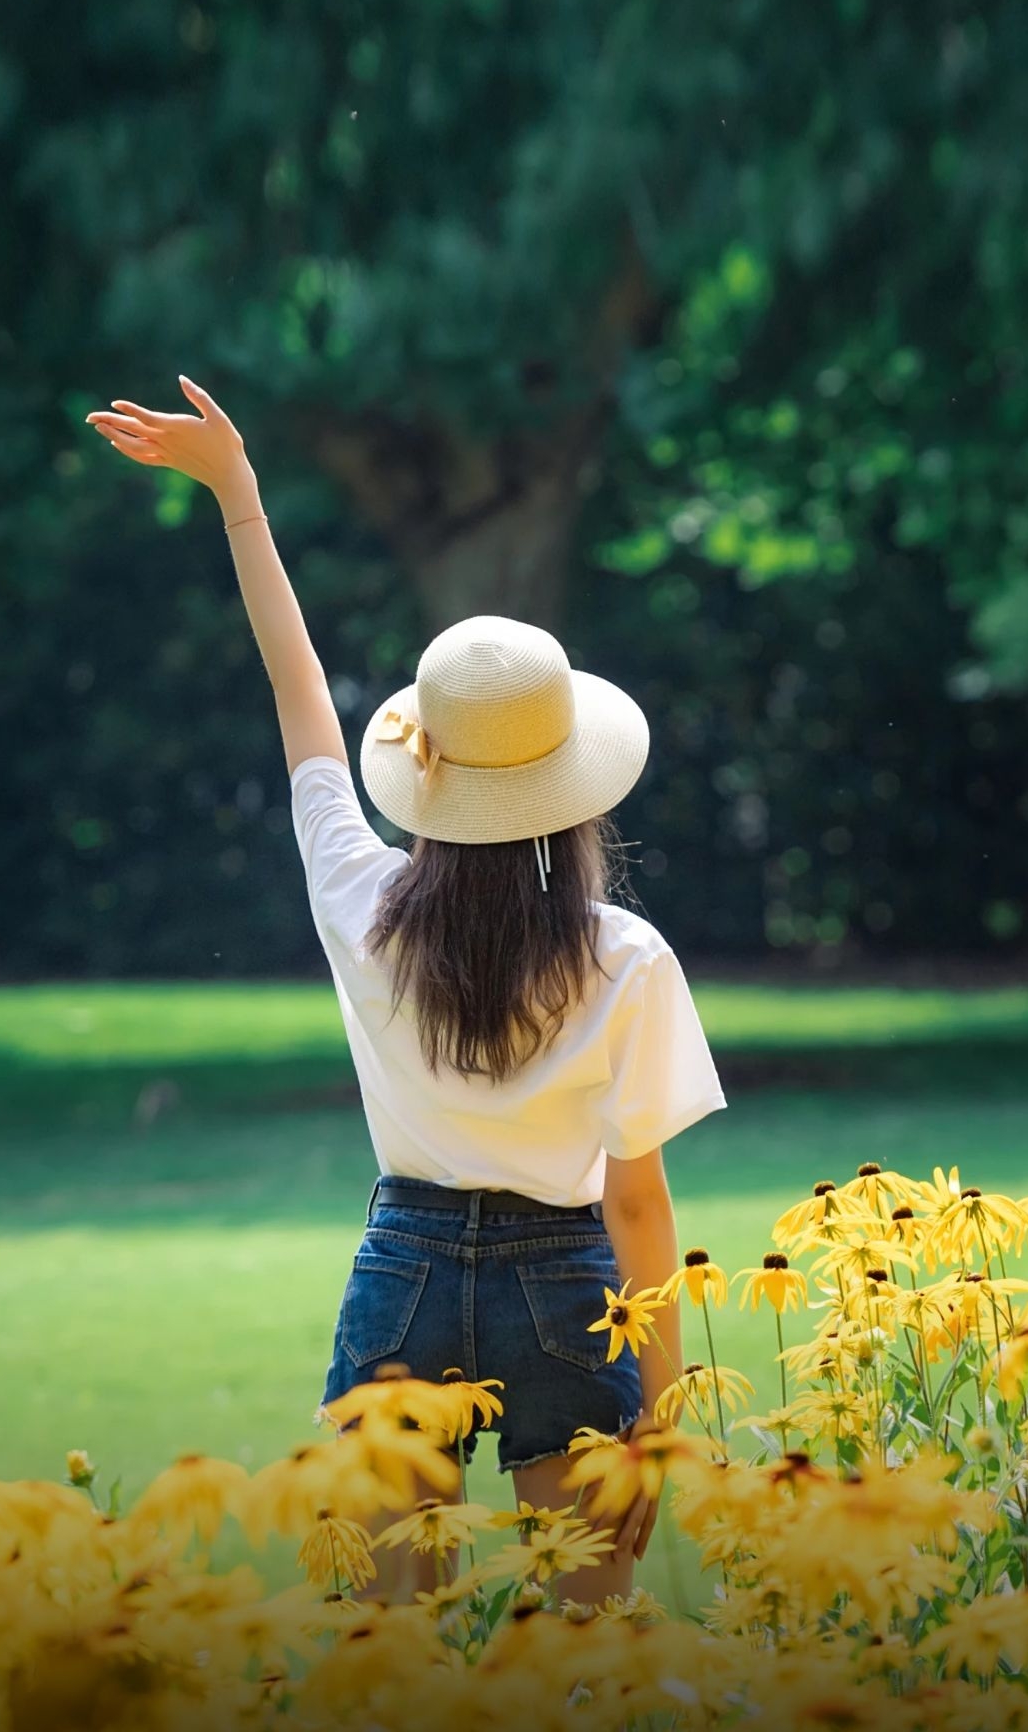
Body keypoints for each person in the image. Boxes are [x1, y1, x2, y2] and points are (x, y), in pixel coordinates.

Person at [85, 375, 728, 1603]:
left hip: (403, 1276)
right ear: (573, 783)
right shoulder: (625, 958)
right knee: (584, 1655)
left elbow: (301, 701)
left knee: (388, 1653)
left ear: (423, 771)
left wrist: (241, 496)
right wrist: (663, 1418)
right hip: (570, 1285)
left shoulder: (358, 900)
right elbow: (640, 1211)